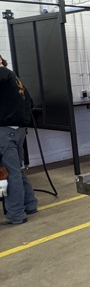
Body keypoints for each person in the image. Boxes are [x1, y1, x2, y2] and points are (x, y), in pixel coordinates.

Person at [0, 58, 37, 226]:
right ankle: (30, 204)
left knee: (10, 172)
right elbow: (30, 102)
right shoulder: (14, 78)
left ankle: (16, 214)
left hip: (5, 132)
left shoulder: (2, 74)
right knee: (17, 171)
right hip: (18, 130)